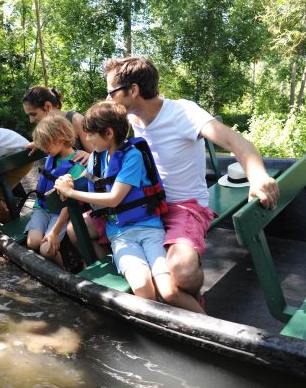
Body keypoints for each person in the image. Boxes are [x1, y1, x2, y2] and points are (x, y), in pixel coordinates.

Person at [102, 57, 280, 313]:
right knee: (81, 228)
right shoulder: (127, 122)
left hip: (185, 207)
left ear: (133, 90)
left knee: (182, 273)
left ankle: (193, 299)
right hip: (145, 206)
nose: (108, 99)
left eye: (111, 92)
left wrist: (258, 175)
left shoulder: (183, 112)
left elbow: (234, 141)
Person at [54, 101, 188, 309]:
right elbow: (85, 178)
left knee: (168, 289)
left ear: (108, 133)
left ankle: (207, 324)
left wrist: (70, 193)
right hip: (120, 234)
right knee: (143, 286)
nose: (87, 139)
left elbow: (114, 198)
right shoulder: (96, 158)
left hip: (148, 229)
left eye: (91, 134)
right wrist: (68, 181)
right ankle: (157, 329)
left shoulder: (132, 156)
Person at [25, 115, 87, 268]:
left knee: (46, 250)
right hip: (42, 208)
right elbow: (47, 141)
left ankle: (63, 271)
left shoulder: (77, 166)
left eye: (46, 144)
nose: (44, 148)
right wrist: (36, 143)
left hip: (61, 214)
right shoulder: (53, 152)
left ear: (60, 139)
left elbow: (69, 203)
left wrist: (54, 232)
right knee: (32, 242)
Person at [22, 86, 94, 164]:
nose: (31, 120)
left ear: (47, 106)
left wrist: (89, 156)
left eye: (33, 114)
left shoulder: (76, 120)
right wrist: (42, 143)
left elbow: (99, 156)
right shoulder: (45, 128)